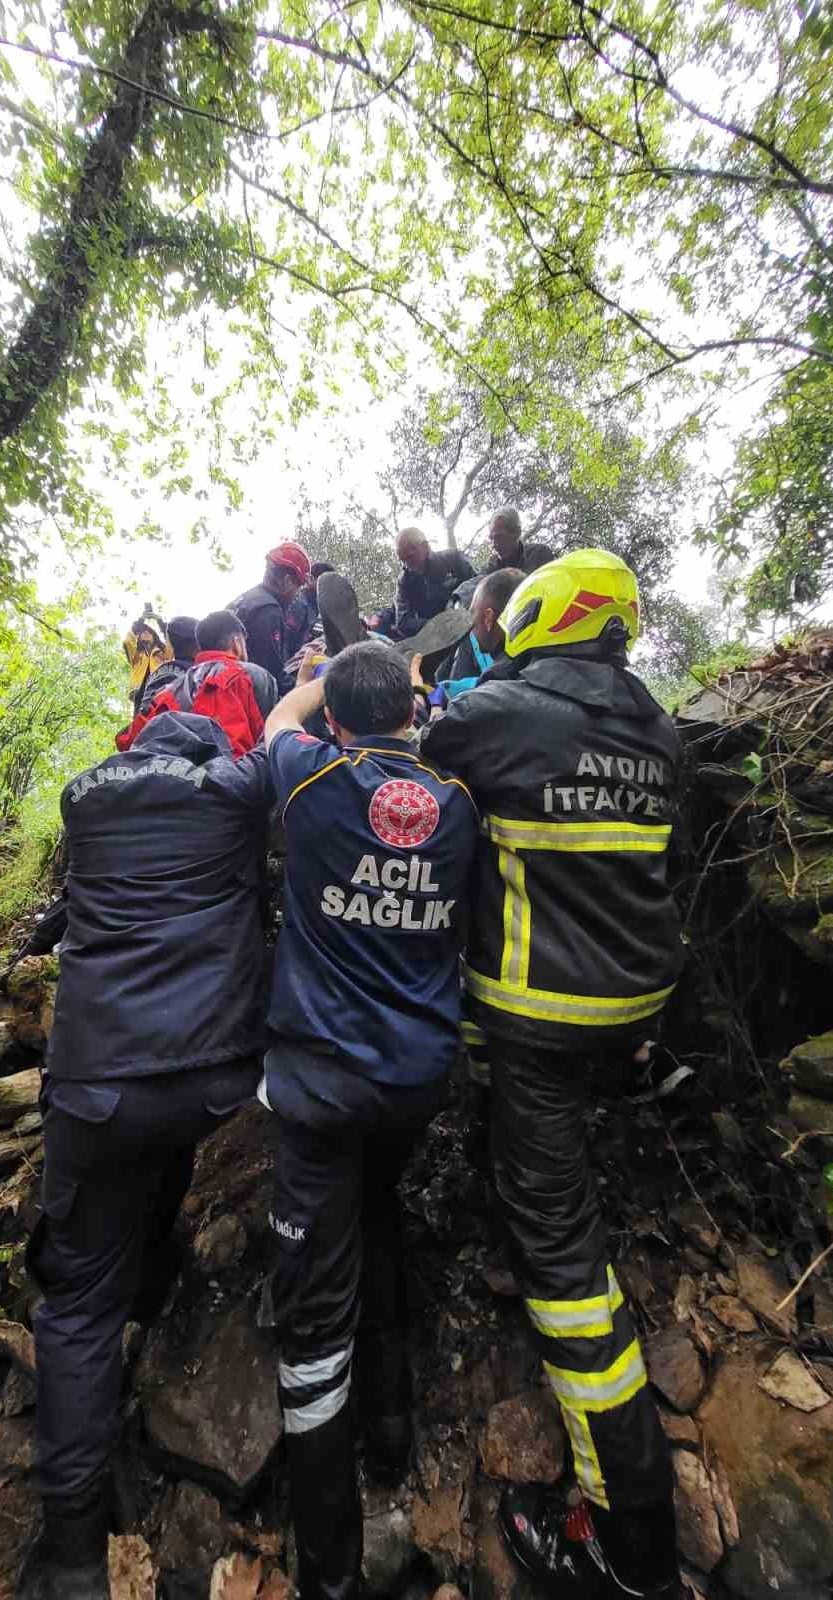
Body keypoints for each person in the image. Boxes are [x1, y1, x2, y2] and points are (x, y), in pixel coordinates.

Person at [419, 549, 684, 1600]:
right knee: (545, 1160)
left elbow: (426, 748)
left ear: (537, 614)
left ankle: (628, 1540)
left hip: (534, 1019)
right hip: (629, 1013)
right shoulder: (661, 733)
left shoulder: (500, 710)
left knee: (567, 1269)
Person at [20, 712, 271, 1600]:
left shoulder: (83, 796)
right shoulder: (234, 794)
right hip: (213, 1082)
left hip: (99, 1088)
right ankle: (152, 1284)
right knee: (158, 1155)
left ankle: (74, 1558)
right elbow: (272, 755)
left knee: (77, 1310)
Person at [262, 643, 478, 1600]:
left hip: (320, 1090)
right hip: (417, 1081)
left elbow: (274, 723)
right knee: (380, 1211)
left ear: (338, 720)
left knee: (312, 1315)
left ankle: (331, 1573)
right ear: (415, 710)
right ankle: (392, 1437)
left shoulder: (313, 778)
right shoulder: (461, 805)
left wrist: (315, 673)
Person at [115, 611, 277, 757]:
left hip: (180, 783)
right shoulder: (252, 675)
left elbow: (128, 741)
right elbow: (274, 736)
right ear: (236, 644)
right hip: (235, 781)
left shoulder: (168, 691)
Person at [230, 542, 312, 691]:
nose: (296, 596)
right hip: (244, 696)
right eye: (298, 588)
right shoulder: (268, 612)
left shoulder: (246, 599)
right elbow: (271, 674)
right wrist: (304, 691)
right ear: (287, 581)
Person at [435, 567, 525, 699]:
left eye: (472, 615)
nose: (470, 626)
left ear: (489, 618)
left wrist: (425, 697)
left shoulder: (495, 691)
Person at [393, 527, 475, 639]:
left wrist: (458, 604)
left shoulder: (453, 559)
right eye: (403, 560)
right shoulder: (404, 580)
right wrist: (437, 624)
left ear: (425, 547)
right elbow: (402, 622)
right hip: (434, 637)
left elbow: (477, 587)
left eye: (410, 557)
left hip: (467, 623)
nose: (407, 565)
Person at [285, 560, 335, 660]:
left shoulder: (318, 606)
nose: (330, 587)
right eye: (326, 583)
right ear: (311, 580)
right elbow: (287, 642)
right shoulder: (299, 604)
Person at [484, 507, 555, 575]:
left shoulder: (539, 554)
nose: (494, 545)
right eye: (491, 538)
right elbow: (476, 582)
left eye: (498, 537)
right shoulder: (492, 565)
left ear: (517, 532)